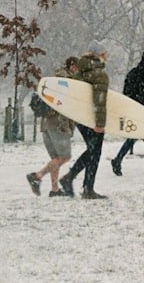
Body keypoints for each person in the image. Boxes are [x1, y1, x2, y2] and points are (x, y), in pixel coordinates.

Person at [59, 50, 109, 199]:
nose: (108, 56)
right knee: (95, 152)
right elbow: (99, 100)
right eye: (105, 53)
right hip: (93, 118)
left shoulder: (80, 71)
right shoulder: (99, 74)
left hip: (81, 117)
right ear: (99, 54)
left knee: (92, 150)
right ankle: (84, 186)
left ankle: (75, 180)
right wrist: (99, 123)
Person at [111, 48, 144, 176]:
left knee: (135, 136)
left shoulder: (133, 73)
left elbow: (126, 92)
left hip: (136, 109)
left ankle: (119, 159)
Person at [28, 58, 77, 197]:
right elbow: (62, 105)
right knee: (65, 156)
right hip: (57, 123)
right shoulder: (66, 82)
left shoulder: (54, 80)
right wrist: (64, 125)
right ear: (72, 66)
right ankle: (37, 176)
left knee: (56, 158)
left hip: (46, 123)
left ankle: (54, 189)